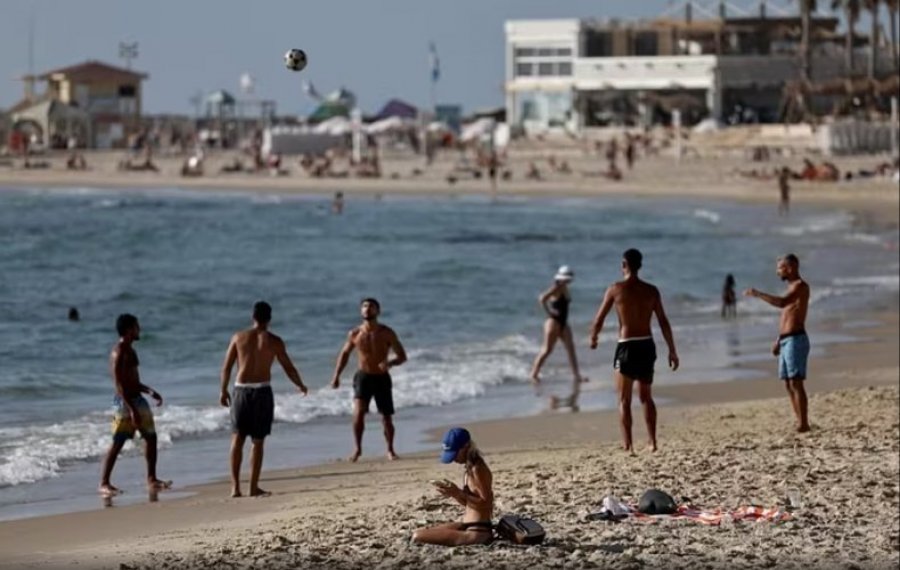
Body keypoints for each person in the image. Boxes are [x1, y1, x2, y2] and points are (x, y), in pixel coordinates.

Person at [589, 249, 679, 453]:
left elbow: (599, 319)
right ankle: (652, 442)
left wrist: (594, 338)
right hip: (647, 345)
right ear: (640, 265)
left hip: (627, 346)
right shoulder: (652, 291)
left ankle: (628, 445)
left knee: (623, 399)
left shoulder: (615, 289)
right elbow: (663, 321)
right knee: (646, 397)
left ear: (624, 265)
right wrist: (672, 350)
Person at [220, 301, 308, 497]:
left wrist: (223, 390)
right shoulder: (275, 341)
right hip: (262, 391)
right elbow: (288, 367)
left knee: (237, 438)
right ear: (270, 318)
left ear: (253, 317)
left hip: (241, 391)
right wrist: (299, 384)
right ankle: (253, 487)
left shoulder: (239, 337)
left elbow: (226, 367)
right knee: (258, 442)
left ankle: (235, 487)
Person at [99, 314, 170, 497]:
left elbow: (134, 381)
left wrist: (150, 391)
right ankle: (104, 483)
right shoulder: (119, 352)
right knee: (119, 441)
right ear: (129, 329)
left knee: (151, 438)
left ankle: (151, 479)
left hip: (137, 399)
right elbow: (119, 385)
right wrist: (131, 409)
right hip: (124, 402)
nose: (140, 329)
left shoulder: (131, 351)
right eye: (137, 326)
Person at [331, 298, 407, 462]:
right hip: (363, 377)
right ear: (361, 311)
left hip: (382, 378)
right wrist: (336, 376)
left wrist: (390, 363)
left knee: (386, 416)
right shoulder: (355, 334)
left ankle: (390, 450)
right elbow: (344, 355)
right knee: (358, 413)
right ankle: (357, 449)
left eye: (371, 306)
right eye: (364, 306)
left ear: (378, 311)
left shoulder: (387, 332)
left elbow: (402, 356)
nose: (367, 309)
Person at [743, 254, 811, 433]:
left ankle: (804, 423)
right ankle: (799, 421)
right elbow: (788, 317)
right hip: (787, 340)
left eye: (780, 268)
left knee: (796, 382)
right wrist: (779, 340)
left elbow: (782, 303)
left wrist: (758, 294)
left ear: (790, 268)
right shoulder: (790, 287)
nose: (777, 271)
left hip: (797, 339)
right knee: (788, 383)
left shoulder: (800, 287)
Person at [412, 427, 494, 546]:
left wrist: (458, 492)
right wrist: (453, 493)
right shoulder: (469, 467)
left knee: (417, 536)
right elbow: (469, 504)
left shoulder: (478, 468)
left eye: (455, 454)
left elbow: (485, 503)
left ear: (466, 446)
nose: (454, 458)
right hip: (468, 526)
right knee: (425, 532)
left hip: (477, 532)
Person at [530, 266, 587, 405]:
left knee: (571, 349)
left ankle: (577, 375)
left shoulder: (564, 287)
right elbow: (542, 298)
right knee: (547, 349)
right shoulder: (557, 287)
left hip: (563, 323)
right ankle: (534, 374)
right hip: (553, 322)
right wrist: (549, 313)